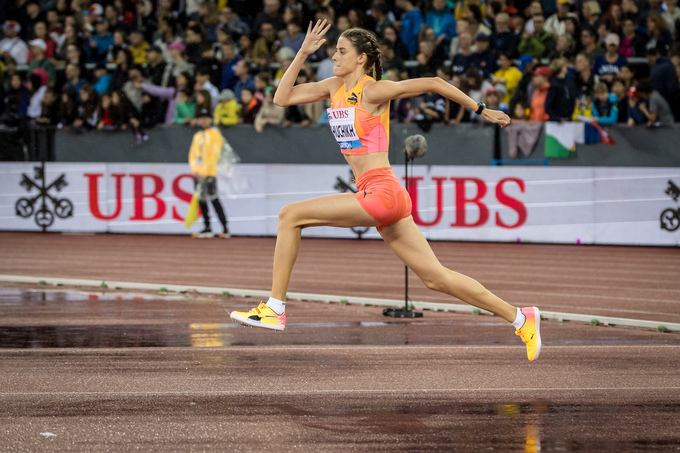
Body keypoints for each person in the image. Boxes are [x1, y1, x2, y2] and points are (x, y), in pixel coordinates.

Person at [229, 21, 542, 362]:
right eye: (334, 51)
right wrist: (303, 52)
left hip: (382, 191)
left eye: (342, 51)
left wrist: (482, 110)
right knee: (436, 278)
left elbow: (435, 83)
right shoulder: (333, 87)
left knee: (290, 215)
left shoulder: (373, 91)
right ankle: (520, 317)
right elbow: (282, 97)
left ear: (361, 58)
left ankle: (275, 308)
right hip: (383, 195)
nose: (334, 56)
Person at [188, 108, 230, 238]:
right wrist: (196, 171)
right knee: (202, 200)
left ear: (210, 120)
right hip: (198, 174)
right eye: (201, 118)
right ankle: (207, 227)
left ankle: (225, 227)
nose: (203, 121)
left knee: (214, 199)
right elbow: (193, 155)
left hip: (210, 173)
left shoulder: (215, 134)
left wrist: (204, 171)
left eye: (206, 118)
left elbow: (214, 155)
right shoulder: (197, 136)